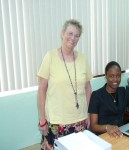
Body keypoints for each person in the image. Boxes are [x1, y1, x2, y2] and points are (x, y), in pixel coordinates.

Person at [37, 19, 93, 149]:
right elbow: (41, 90)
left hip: (80, 120)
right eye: (70, 33)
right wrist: (42, 120)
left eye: (77, 35)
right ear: (62, 34)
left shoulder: (83, 59)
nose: (73, 38)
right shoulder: (50, 57)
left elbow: (88, 88)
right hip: (56, 122)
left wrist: (89, 114)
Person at [88, 61, 129, 138]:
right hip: (104, 136)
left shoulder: (123, 92)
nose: (115, 79)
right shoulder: (96, 95)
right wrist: (107, 127)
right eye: (111, 76)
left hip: (121, 133)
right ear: (105, 76)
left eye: (118, 76)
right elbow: (93, 126)